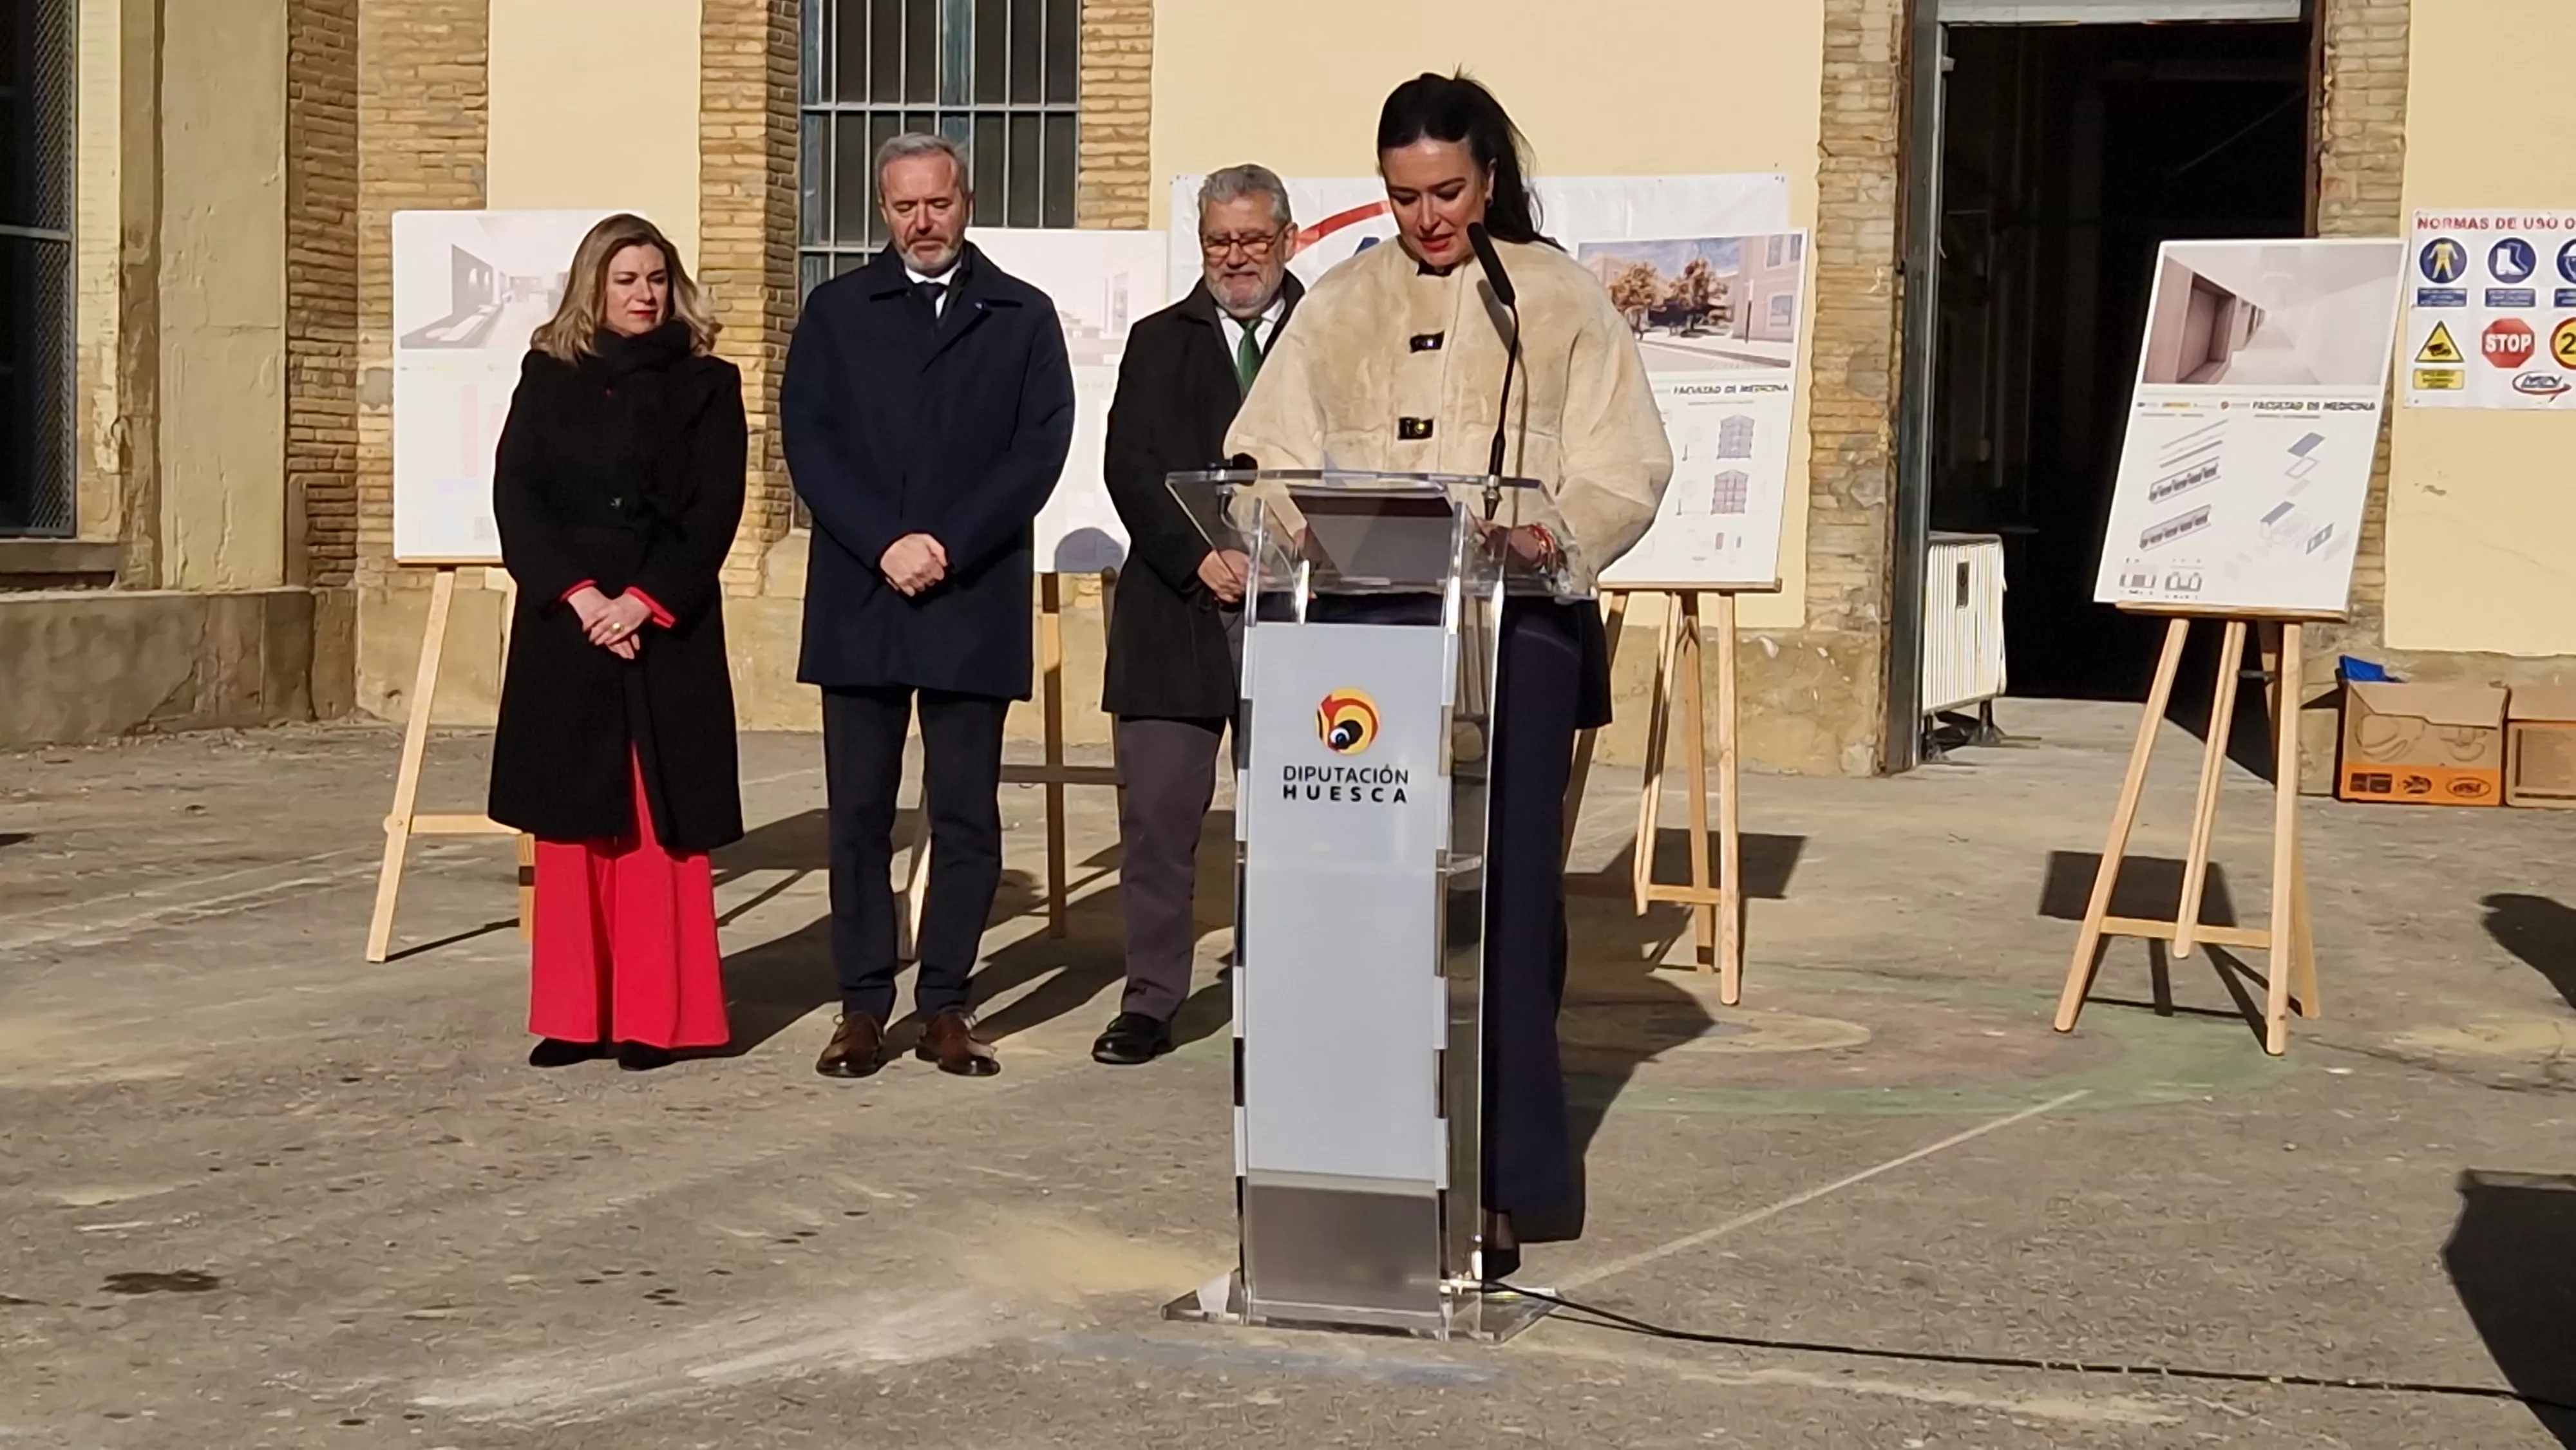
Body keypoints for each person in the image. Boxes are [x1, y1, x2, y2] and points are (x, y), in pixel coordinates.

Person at [1224, 73, 1673, 1274]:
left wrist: (1549, 532)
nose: (1427, 218)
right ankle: (1369, 1163)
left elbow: (1627, 465)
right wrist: (1304, 521)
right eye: (1404, 196)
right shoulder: (1341, 302)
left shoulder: (1554, 297)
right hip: (1365, 642)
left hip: (1513, 639)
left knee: (1504, 912)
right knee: (1374, 912)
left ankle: (1500, 1180)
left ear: (1489, 179)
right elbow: (1261, 457)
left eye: (1448, 192)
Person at [782, 133, 1075, 1081]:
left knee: (966, 816)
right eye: (904, 206)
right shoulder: (836, 312)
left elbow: (1039, 449)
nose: (922, 222)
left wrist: (947, 543)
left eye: (938, 203)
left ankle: (946, 1000)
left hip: (970, 594)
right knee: (858, 816)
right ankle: (863, 1004)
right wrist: (885, 542)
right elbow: (809, 443)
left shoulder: (1022, 315)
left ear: (967, 203)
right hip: (862, 596)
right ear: (883, 211)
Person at [486, 212, 748, 1073]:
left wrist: (642, 601)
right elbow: (518, 496)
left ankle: (655, 1018)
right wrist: (581, 597)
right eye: (626, 280)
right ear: (592, 288)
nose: (644, 295)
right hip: (569, 626)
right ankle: (573, 1015)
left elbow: (715, 509)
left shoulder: (708, 384)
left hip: (665, 627)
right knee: (572, 823)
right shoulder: (547, 376)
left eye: (657, 279)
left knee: (655, 825)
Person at [1091, 165, 1303, 1066]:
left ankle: (1286, 990)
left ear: (1288, 239)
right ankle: (1151, 999)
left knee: (1295, 819)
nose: (1236, 257)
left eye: (1253, 239)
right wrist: (1197, 558)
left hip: (1297, 612)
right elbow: (1128, 466)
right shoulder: (1157, 340)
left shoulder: (1327, 334)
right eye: (1220, 240)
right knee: (1158, 822)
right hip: (1174, 609)